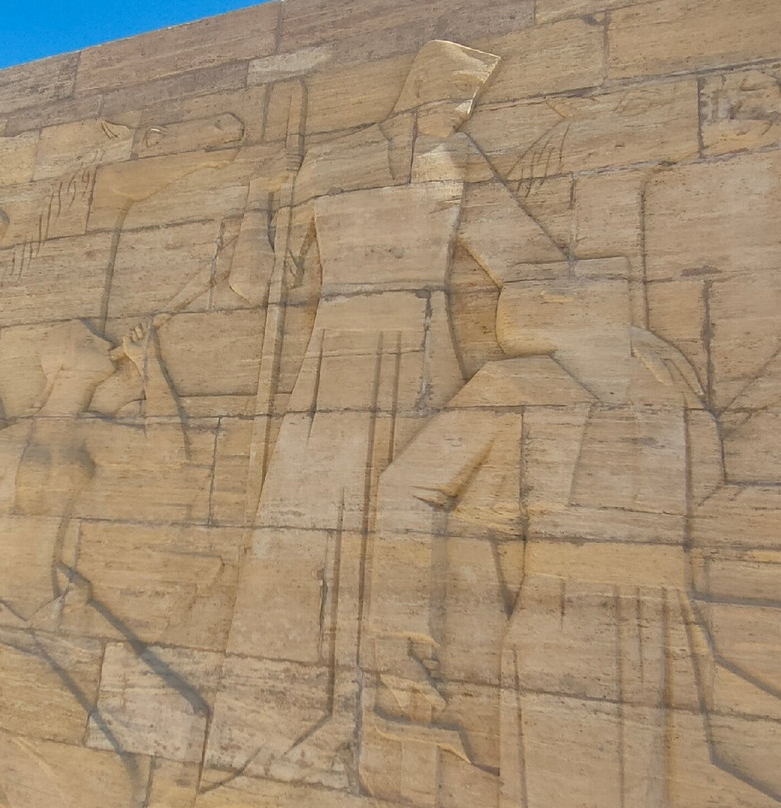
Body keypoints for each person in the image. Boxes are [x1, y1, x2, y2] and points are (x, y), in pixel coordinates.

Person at [207, 39, 572, 790]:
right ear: (417, 84)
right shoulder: (331, 161)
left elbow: (528, 266)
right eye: (453, 93)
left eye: (471, 100)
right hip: (332, 363)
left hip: (423, 355)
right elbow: (257, 285)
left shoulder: (459, 162)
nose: (460, 112)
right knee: (307, 530)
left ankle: (409, 714)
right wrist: (257, 204)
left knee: (421, 522)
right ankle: (291, 722)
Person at [368, 263, 781, 807]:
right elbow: (406, 487)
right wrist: (402, 631)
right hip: (567, 615)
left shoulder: (662, 377)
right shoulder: (521, 384)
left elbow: (703, 496)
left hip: (666, 616)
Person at [0, 318, 188, 807]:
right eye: (88, 338)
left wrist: (150, 365)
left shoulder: (89, 433)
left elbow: (169, 455)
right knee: (107, 783)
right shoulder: (14, 442)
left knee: (171, 724)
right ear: (63, 361)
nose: (103, 340)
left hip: (59, 614)